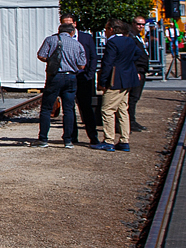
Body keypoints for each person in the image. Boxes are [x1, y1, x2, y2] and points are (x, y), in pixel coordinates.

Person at [98, 19, 147, 152]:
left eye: (107, 29)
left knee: (107, 110)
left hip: (116, 79)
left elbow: (107, 63)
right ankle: (124, 140)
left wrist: (103, 81)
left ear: (112, 29)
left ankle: (109, 140)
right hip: (128, 79)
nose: (106, 32)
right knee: (122, 109)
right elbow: (138, 53)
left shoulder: (112, 42)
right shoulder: (130, 40)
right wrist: (127, 62)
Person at [36, 20, 86, 148]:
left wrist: (52, 61)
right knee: (69, 109)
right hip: (71, 77)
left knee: (47, 108)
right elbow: (82, 64)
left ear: (59, 31)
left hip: (55, 77)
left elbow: (41, 55)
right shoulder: (77, 44)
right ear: (72, 32)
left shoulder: (50, 40)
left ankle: (43, 139)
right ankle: (68, 140)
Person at [64, 14, 99, 146]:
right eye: (65, 24)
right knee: (69, 108)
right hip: (68, 77)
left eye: (70, 23)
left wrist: (90, 74)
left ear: (75, 24)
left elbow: (93, 57)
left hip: (83, 77)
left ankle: (93, 136)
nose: (68, 27)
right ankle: (72, 136)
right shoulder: (59, 39)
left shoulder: (86, 38)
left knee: (86, 108)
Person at [128, 16, 150, 131]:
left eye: (142, 24)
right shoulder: (131, 37)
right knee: (133, 97)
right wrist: (136, 71)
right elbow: (132, 56)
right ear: (133, 24)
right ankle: (130, 121)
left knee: (136, 97)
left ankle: (132, 120)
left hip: (142, 69)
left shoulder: (138, 37)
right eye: (138, 24)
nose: (141, 26)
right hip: (137, 70)